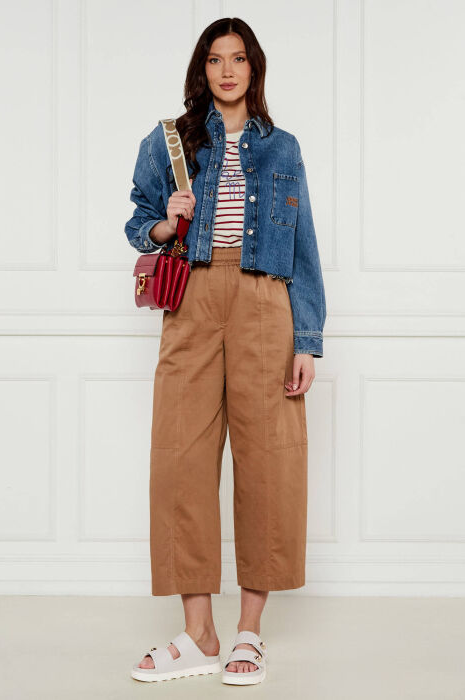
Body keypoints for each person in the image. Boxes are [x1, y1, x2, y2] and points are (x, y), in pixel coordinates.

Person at [125, 16, 326, 686]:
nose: (227, 71)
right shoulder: (171, 141)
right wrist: (166, 221)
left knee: (268, 461)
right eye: (215, 60)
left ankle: (248, 632)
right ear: (202, 69)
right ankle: (198, 633)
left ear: (254, 68)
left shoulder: (283, 147)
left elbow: (304, 246)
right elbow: (138, 220)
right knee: (179, 457)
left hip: (265, 301)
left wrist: (307, 340)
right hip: (192, 299)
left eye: (238, 59)